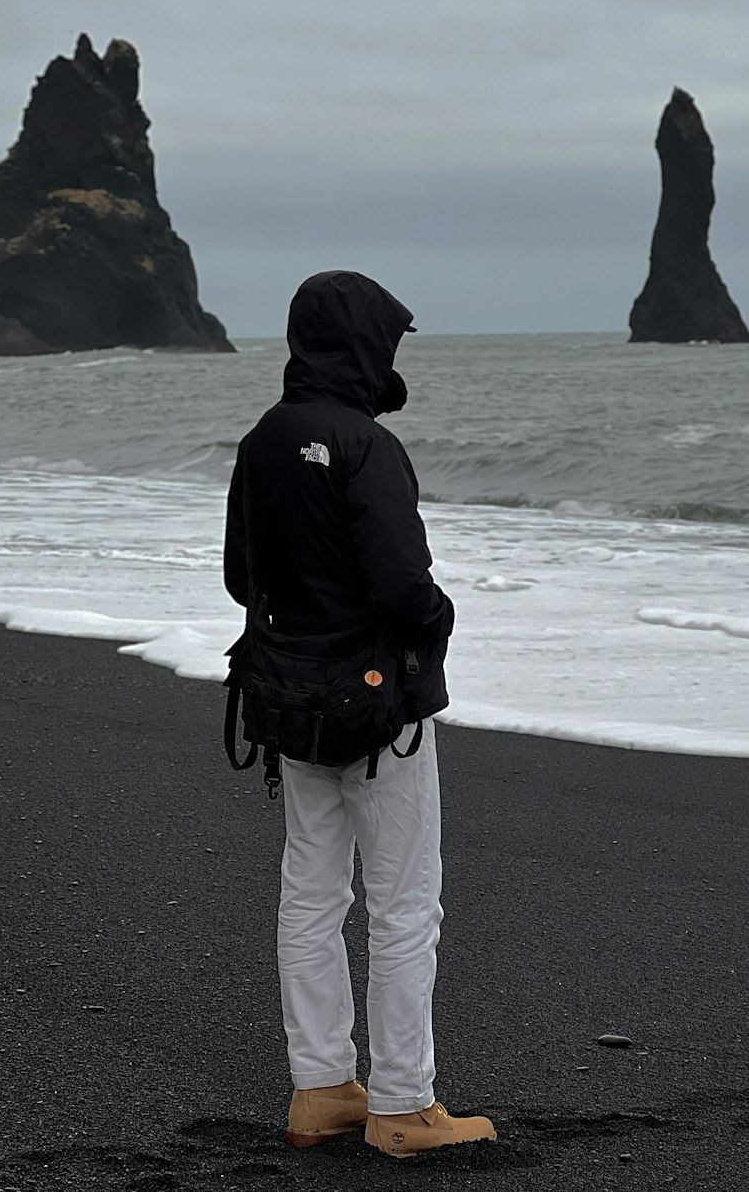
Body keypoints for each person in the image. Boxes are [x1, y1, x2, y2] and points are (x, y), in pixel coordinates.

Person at [223, 269, 496, 1159]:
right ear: (363, 343)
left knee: (311, 893)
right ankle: (406, 1104)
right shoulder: (367, 446)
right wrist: (439, 618)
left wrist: (308, 624)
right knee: (405, 903)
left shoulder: (265, 439)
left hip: (290, 700)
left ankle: (322, 1090)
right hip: (380, 711)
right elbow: (402, 585)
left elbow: (240, 575)